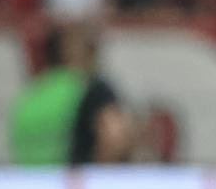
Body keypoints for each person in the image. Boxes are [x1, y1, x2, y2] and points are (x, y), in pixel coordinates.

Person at [8, 24, 133, 166]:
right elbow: (116, 138)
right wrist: (103, 177)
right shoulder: (90, 87)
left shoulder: (31, 95)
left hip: (30, 183)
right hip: (76, 182)